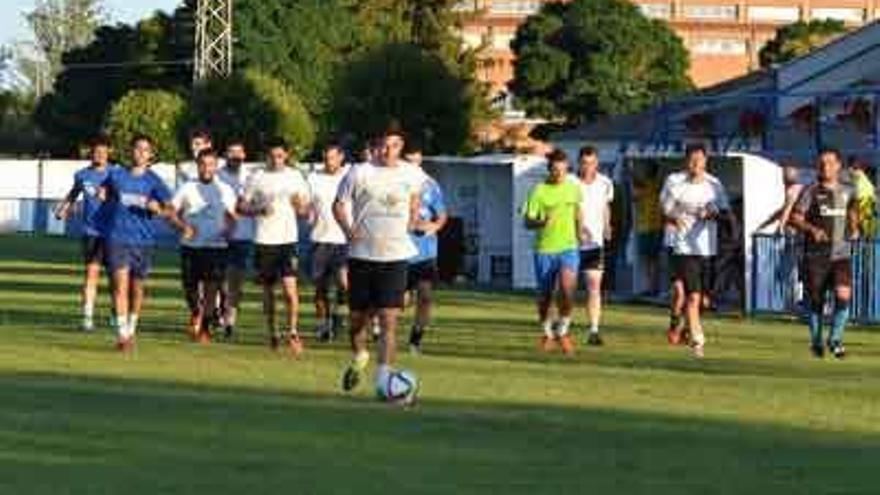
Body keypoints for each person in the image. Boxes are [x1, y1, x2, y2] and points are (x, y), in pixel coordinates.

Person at [334, 125, 424, 394]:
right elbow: (338, 205)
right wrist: (350, 232)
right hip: (362, 255)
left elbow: (416, 197)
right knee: (357, 322)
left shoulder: (412, 173)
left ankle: (383, 380)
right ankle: (360, 356)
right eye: (384, 145)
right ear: (376, 146)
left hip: (395, 256)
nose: (389, 151)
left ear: (401, 146)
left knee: (389, 319)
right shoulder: (359, 172)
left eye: (395, 145)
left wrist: (411, 219)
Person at [101, 134, 192, 351]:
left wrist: (158, 209)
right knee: (119, 286)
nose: (141, 153)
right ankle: (123, 336)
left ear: (150, 155)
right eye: (137, 148)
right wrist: (102, 195)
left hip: (143, 241)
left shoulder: (154, 181)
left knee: (137, 287)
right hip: (117, 237)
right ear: (130, 151)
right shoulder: (117, 175)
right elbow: (105, 192)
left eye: (145, 150)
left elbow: (170, 209)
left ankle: (132, 327)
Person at [661, 143, 731, 358]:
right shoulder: (674, 181)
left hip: (706, 247)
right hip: (681, 245)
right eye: (692, 160)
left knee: (702, 300)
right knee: (689, 296)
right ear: (686, 161)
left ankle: (684, 327)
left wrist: (710, 214)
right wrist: (674, 217)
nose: (696, 164)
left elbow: (724, 212)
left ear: (705, 161)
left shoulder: (714, 184)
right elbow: (664, 208)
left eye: (699, 160)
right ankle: (698, 342)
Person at [789, 149, 860, 359]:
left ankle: (835, 339)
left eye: (829, 163)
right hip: (816, 254)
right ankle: (817, 341)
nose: (825, 167)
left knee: (843, 294)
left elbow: (853, 210)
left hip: (841, 254)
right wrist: (812, 230)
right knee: (816, 301)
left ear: (838, 165)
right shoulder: (811, 191)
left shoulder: (848, 190)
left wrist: (855, 228)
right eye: (821, 163)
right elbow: (795, 218)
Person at [242, 138, 311, 353]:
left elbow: (304, 210)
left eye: (280, 156)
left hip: (287, 240)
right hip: (264, 240)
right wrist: (258, 210)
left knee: (290, 290)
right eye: (272, 156)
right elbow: (242, 205)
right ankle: (272, 332)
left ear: (287, 156)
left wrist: (300, 207)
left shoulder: (295, 176)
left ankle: (292, 332)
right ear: (266, 156)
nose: (276, 160)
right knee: (268, 291)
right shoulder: (257, 176)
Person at [172, 148, 238, 343]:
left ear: (216, 166)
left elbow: (233, 216)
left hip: (216, 246)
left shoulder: (225, 189)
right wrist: (183, 226)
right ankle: (196, 312)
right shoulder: (187, 187)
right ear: (198, 166)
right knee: (189, 288)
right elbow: (170, 212)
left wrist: (229, 230)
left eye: (211, 164)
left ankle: (206, 328)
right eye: (203, 164)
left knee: (211, 289)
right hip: (190, 246)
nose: (207, 169)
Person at [523, 149, 583, 355]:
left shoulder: (573, 189)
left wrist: (580, 233)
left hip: (569, 247)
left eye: (563, 170)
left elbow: (577, 212)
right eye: (556, 170)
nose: (559, 174)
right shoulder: (538, 191)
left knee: (568, 289)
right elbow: (527, 221)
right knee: (545, 296)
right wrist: (540, 221)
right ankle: (547, 333)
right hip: (545, 249)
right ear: (549, 170)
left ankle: (563, 330)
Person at [54, 135, 116, 332]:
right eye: (96, 151)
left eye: (103, 151)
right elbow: (74, 192)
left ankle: (117, 313)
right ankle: (87, 318)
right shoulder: (82, 175)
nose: (99, 154)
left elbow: (126, 195)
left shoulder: (117, 173)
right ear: (91, 152)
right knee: (91, 274)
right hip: (91, 232)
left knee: (116, 277)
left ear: (109, 153)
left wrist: (111, 195)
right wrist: (64, 207)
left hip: (115, 232)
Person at [404, 143, 448, 354]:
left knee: (426, 296)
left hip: (425, 253)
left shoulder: (431, 185)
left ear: (421, 159)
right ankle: (380, 330)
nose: (413, 164)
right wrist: (408, 224)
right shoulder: (396, 183)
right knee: (398, 302)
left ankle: (415, 341)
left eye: (416, 159)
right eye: (408, 160)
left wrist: (433, 226)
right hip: (400, 251)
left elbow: (441, 216)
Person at [307, 142, 351, 342]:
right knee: (320, 288)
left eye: (332, 157)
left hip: (343, 239)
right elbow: (307, 204)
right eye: (326, 158)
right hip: (320, 239)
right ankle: (324, 325)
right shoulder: (314, 178)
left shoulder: (350, 176)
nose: (329, 162)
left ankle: (339, 316)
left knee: (345, 283)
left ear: (341, 157)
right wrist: (306, 212)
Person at [572, 146, 614, 346]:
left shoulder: (605, 183)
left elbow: (606, 206)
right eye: (584, 163)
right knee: (564, 288)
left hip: (594, 243)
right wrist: (576, 228)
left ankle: (594, 330)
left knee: (594, 286)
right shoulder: (570, 182)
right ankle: (559, 325)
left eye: (591, 163)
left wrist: (607, 225)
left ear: (597, 163)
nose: (588, 167)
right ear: (578, 163)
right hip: (570, 242)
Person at [218, 139, 255, 340]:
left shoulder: (251, 177)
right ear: (226, 155)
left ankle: (230, 320)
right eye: (231, 153)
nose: (235, 157)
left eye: (238, 154)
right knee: (219, 280)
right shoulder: (218, 176)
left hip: (243, 236)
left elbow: (255, 204)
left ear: (244, 155)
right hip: (220, 235)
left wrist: (246, 209)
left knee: (236, 281)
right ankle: (218, 311)